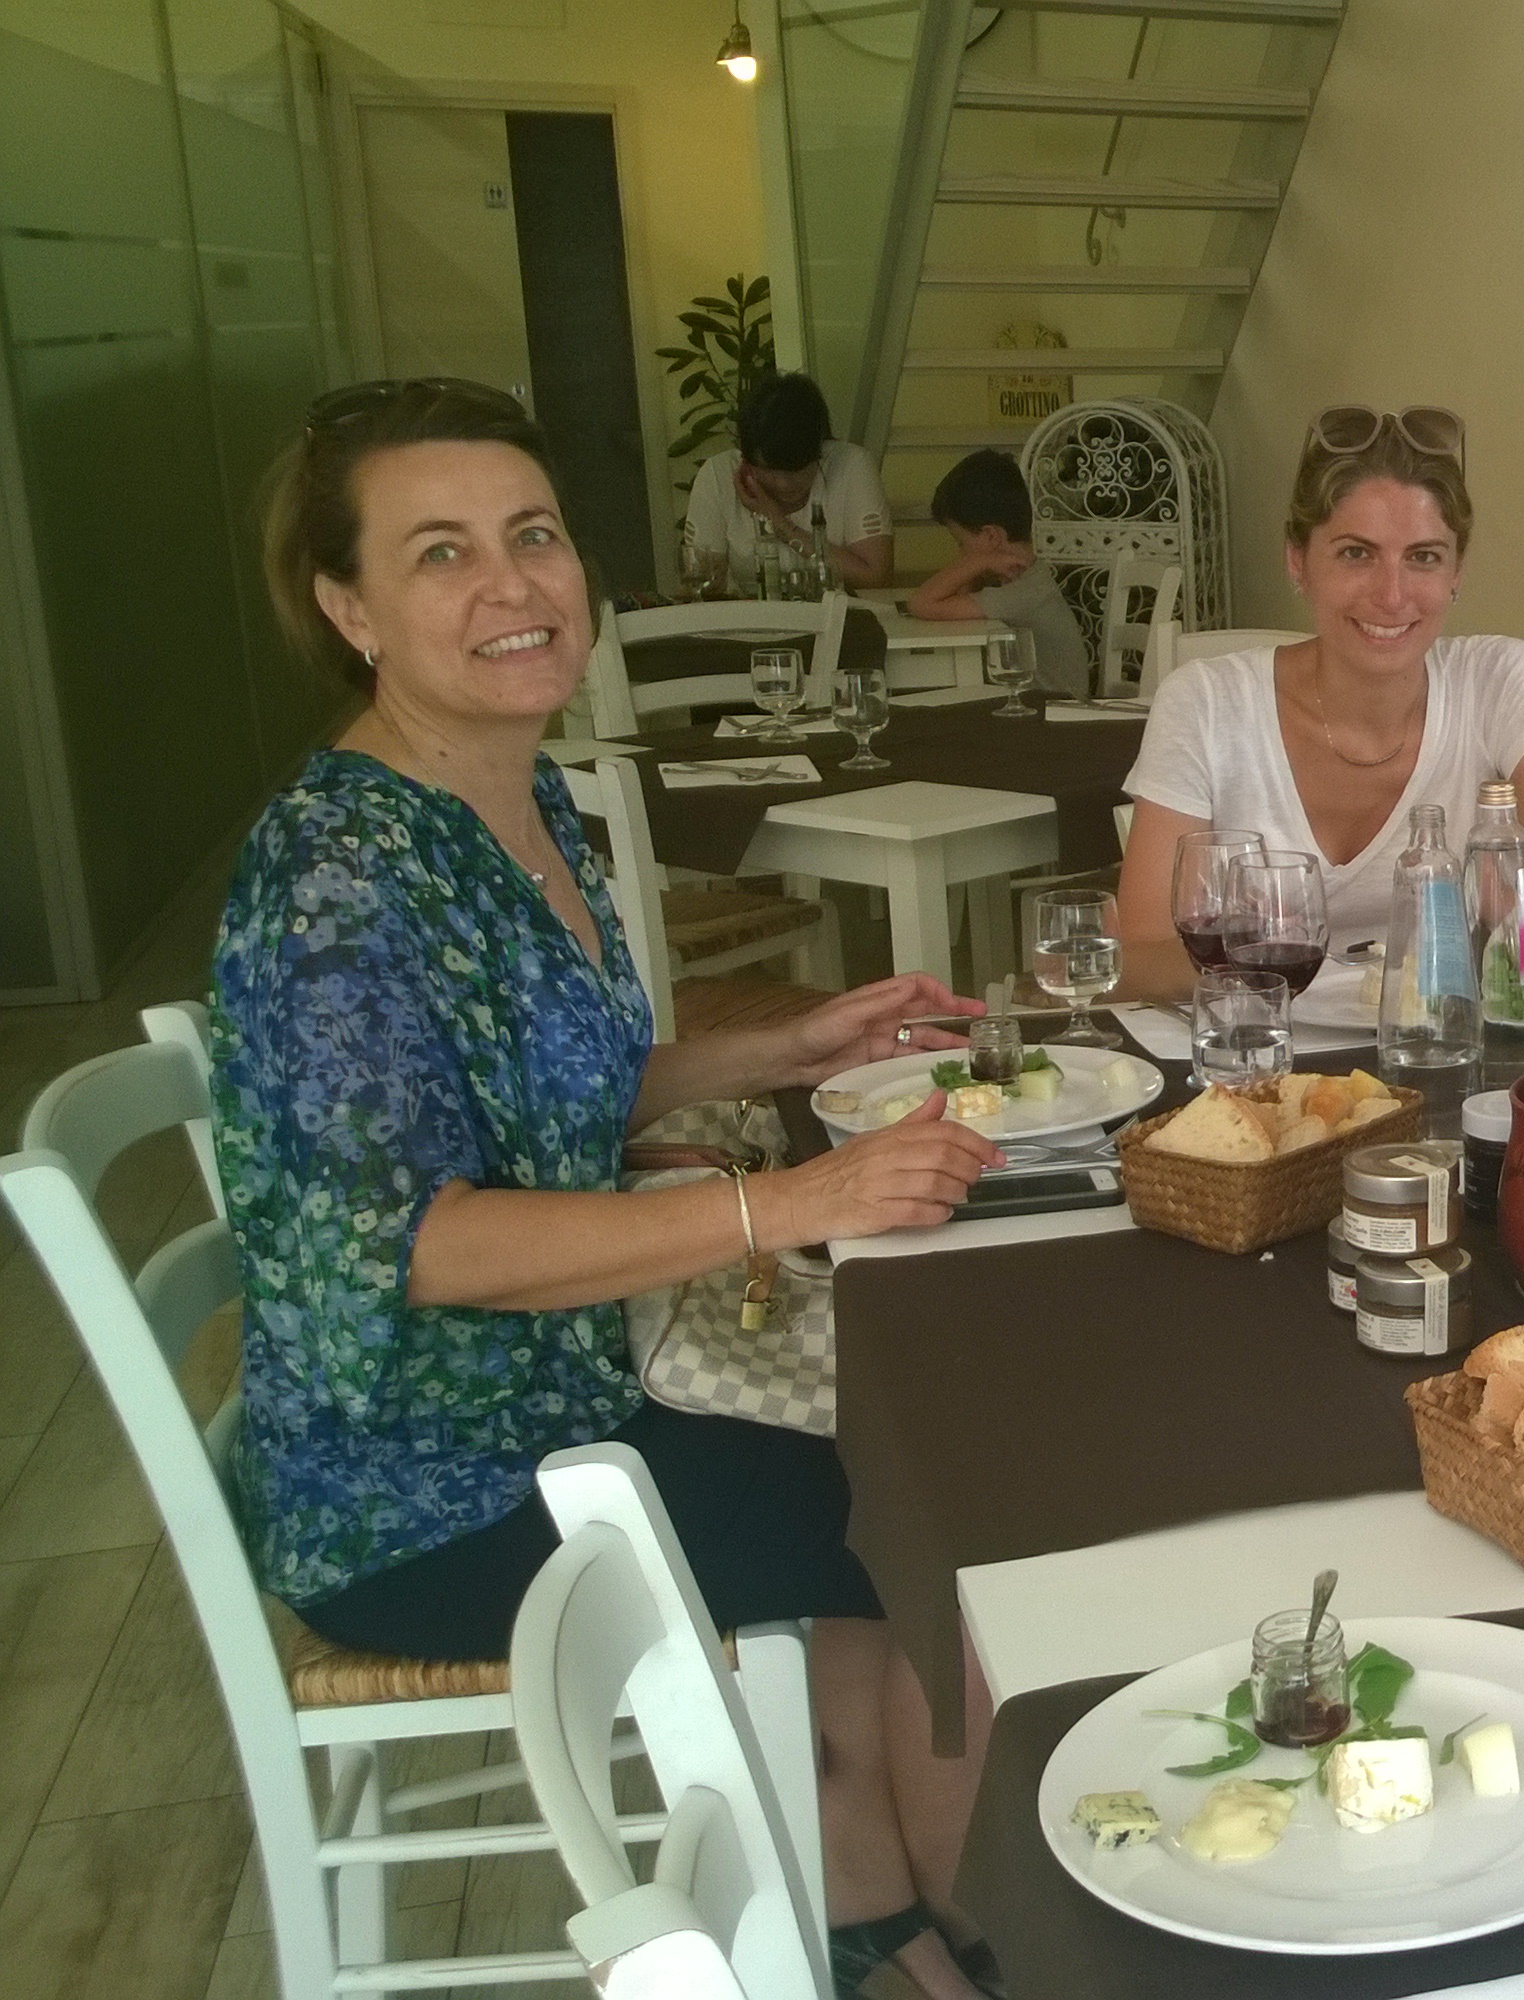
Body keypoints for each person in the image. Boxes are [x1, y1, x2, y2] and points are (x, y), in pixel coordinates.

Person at [226, 378, 1007, 1999]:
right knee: (947, 1524)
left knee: (916, 1462)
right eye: (440, 553)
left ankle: (882, 1919)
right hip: (427, 1485)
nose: (512, 583)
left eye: (533, 534)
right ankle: (963, 1943)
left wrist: (788, 1041)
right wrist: (784, 1204)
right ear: (348, 609)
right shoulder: (334, 883)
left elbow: (545, 1092)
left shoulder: (519, 793)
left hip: (574, 1388)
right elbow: (424, 1243)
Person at [1117, 405, 1524, 992]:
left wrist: (1518, 927)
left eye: (1423, 557)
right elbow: (1137, 960)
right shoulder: (1204, 704)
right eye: (1356, 553)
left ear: (1457, 571)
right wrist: (1280, 970)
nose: (1392, 595)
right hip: (1253, 1044)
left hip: (1439, 1038)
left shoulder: (1499, 680)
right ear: (1298, 561)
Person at [683, 370, 893, 591]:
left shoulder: (850, 464)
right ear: (744, 456)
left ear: (820, 449)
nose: (783, 484)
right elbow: (702, 584)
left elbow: (877, 578)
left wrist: (780, 524)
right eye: (769, 470)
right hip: (749, 610)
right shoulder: (718, 475)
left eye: (797, 470)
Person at [908, 447, 1093, 698]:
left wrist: (980, 561)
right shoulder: (1022, 580)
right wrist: (980, 563)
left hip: (1057, 713)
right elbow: (954, 597)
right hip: (1041, 705)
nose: (960, 554)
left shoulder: (1022, 593)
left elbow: (921, 603)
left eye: (961, 543)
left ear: (991, 536)